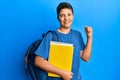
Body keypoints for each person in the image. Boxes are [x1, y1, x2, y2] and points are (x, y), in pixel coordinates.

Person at [34, 2, 92, 80]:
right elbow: (38, 61)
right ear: (58, 18)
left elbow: (85, 57)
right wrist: (62, 73)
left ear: (73, 16)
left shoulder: (77, 35)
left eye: (69, 14)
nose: (66, 18)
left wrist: (89, 37)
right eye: (62, 15)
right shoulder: (51, 36)